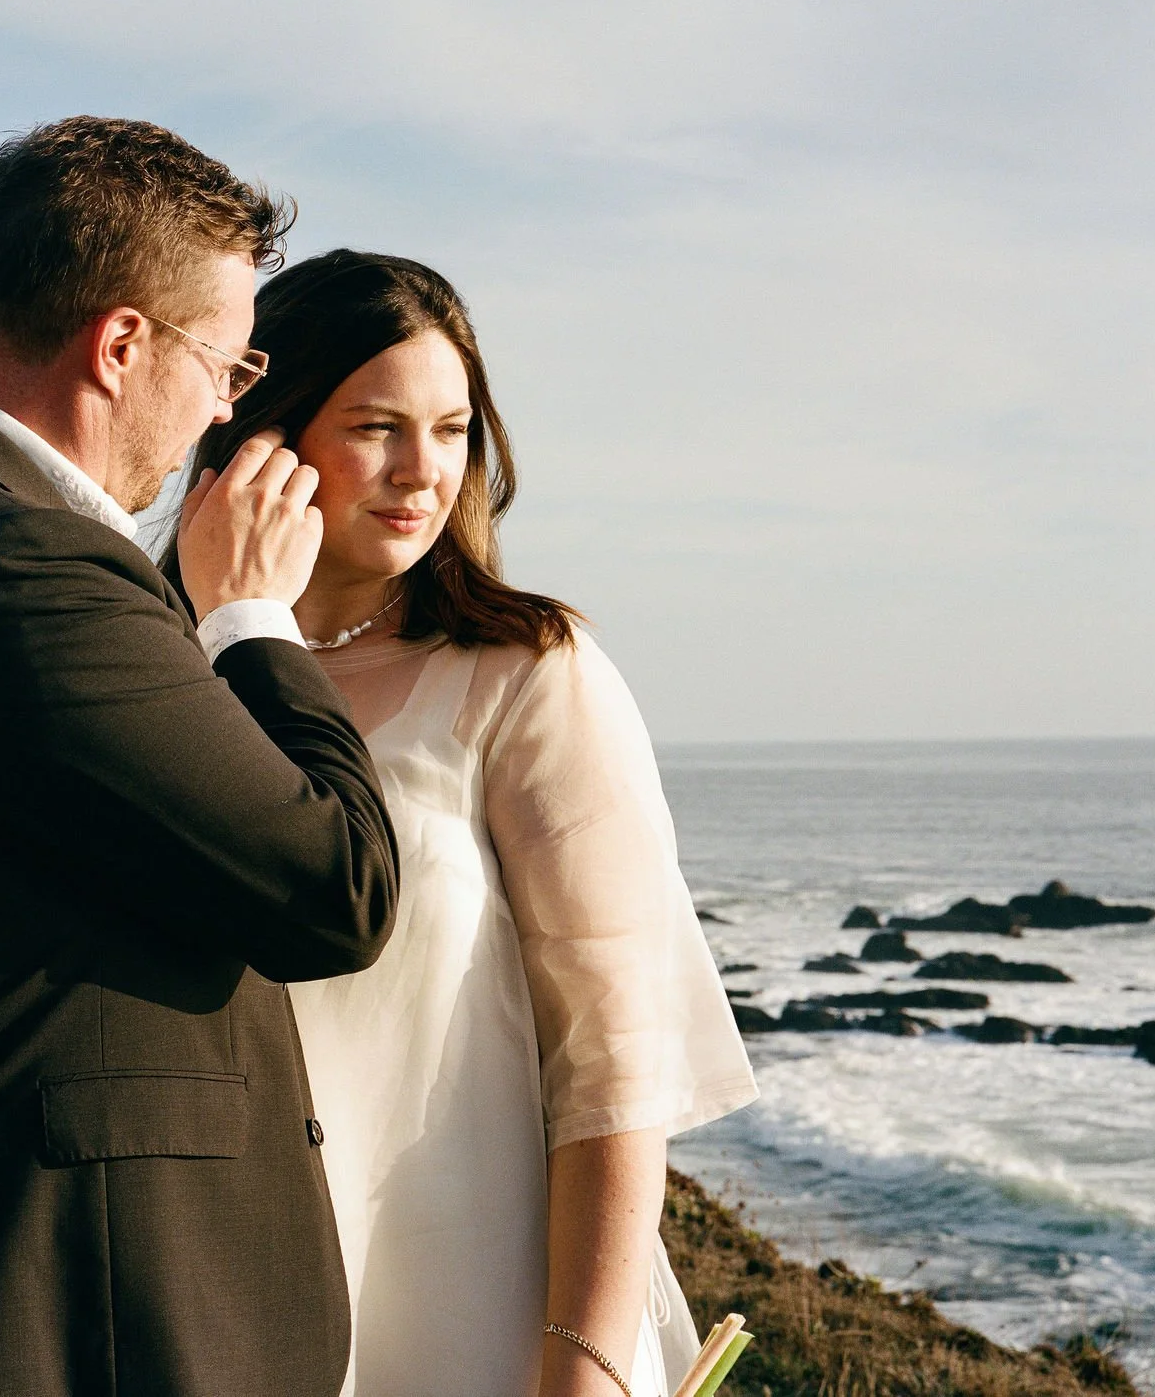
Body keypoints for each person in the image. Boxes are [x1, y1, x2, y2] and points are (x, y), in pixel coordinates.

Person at [0, 120, 399, 1397]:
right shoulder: (17, 563)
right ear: (121, 346)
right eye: (227, 362)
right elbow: (335, 888)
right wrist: (251, 617)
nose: (230, 403)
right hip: (54, 1337)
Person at [172, 250, 759, 1397]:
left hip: (479, 1322)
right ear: (262, 436)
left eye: (451, 431)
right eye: (376, 426)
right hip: (219, 1310)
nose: (419, 473)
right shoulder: (161, 674)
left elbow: (614, 1063)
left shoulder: (525, 675)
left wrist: (581, 1371)